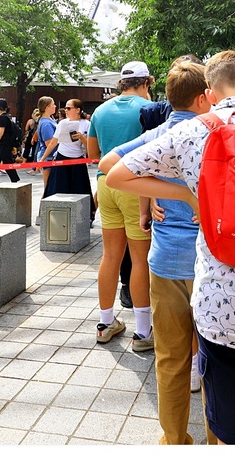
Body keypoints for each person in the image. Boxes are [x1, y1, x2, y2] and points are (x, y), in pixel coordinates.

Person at [108, 50, 235, 445]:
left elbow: (115, 174)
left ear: (210, 93)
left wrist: (187, 193)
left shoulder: (190, 131)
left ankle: (177, 440)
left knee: (194, 380)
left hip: (219, 301)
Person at [99, 57, 212, 443]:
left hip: (164, 261)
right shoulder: (213, 133)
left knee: (169, 357)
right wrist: (191, 194)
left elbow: (107, 162)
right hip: (209, 262)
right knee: (214, 359)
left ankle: (174, 441)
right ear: (204, 96)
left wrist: (154, 188)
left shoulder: (160, 135)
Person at [85, 61, 155, 347]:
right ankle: (143, 332)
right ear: (146, 83)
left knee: (110, 256)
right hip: (136, 185)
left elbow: (92, 152)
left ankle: (105, 322)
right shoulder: (149, 109)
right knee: (140, 259)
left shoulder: (100, 111)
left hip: (106, 184)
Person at [41, 98, 93, 198]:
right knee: (57, 187)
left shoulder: (87, 124)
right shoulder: (62, 123)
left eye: (68, 108)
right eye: (65, 108)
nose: (66, 110)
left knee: (80, 188)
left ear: (77, 110)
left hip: (78, 158)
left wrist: (81, 137)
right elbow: (53, 142)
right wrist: (43, 158)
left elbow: (89, 146)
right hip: (62, 155)